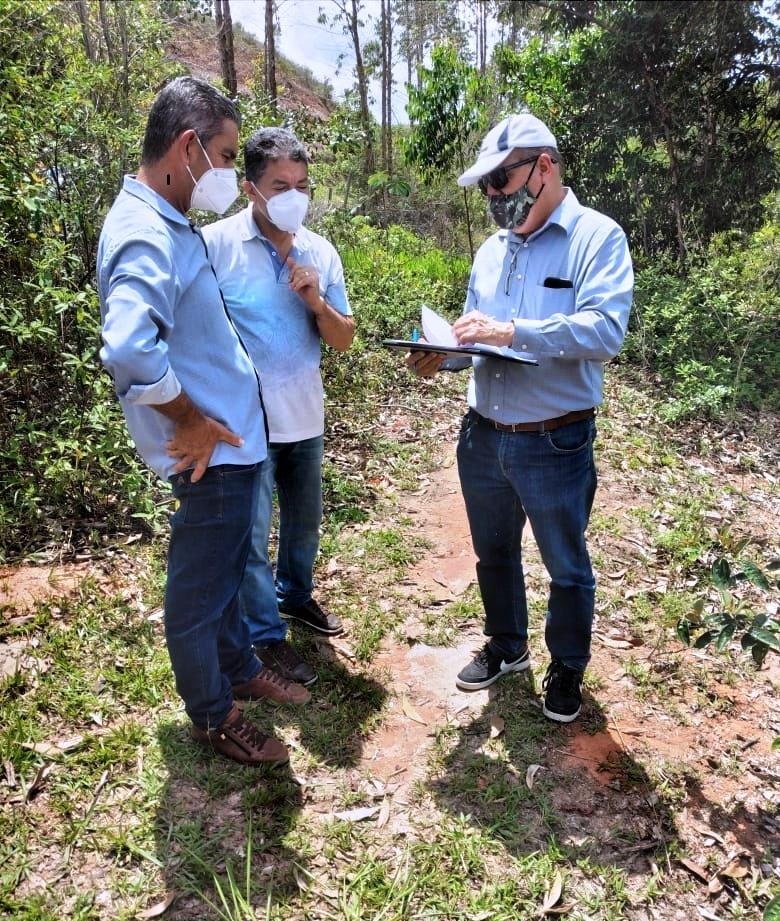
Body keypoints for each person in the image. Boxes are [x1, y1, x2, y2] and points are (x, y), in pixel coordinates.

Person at [97, 77, 311, 768]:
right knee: (197, 594)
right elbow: (130, 346)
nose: (225, 171)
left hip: (235, 449)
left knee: (221, 582)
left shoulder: (164, 221)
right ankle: (214, 713)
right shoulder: (140, 230)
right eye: (222, 155)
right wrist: (188, 416)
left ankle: (237, 665)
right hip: (210, 456)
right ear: (187, 148)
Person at [408, 113, 633, 723]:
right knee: (494, 552)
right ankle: (507, 647)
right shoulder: (491, 251)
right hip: (483, 434)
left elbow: (606, 330)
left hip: (554, 438)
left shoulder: (596, 238)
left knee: (566, 564)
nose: (492, 196)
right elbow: (477, 338)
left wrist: (515, 329)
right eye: (485, 185)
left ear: (544, 166)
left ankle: (567, 667)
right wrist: (445, 357)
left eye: (501, 180)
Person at [202, 128, 354, 688]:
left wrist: (315, 301)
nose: (294, 195)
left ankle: (296, 597)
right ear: (250, 189)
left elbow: (343, 338)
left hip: (304, 414)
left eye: (302, 185)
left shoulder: (321, 251)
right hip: (245, 422)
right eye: (280, 185)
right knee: (252, 532)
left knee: (303, 525)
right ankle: (265, 635)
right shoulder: (215, 247)